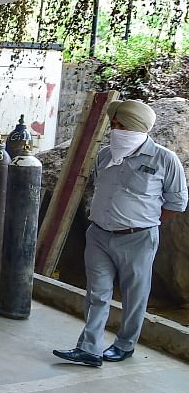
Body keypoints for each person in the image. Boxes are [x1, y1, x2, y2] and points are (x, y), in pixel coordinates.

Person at [53, 100, 186, 367]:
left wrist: (144, 222)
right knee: (97, 293)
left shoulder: (164, 159)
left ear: (138, 128)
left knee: (134, 295)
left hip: (138, 238)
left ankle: (125, 345)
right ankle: (89, 349)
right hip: (99, 235)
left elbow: (176, 203)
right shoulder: (104, 155)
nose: (115, 130)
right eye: (113, 125)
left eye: (121, 125)